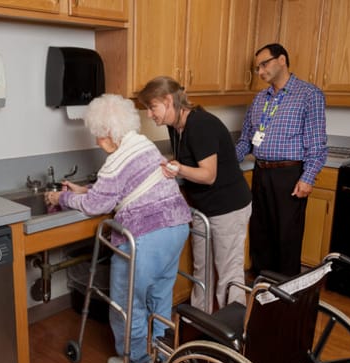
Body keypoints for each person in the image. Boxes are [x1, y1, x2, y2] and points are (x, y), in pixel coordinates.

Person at [45, 93, 191, 363]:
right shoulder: (143, 146)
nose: (98, 142)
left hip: (145, 238)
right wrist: (83, 189)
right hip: (177, 227)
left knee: (127, 303)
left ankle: (136, 362)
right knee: (160, 295)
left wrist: (61, 198)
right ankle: (162, 357)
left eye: (99, 136)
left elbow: (95, 205)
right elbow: (120, 188)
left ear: (111, 132)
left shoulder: (115, 163)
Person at [137, 76, 252, 312]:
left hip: (228, 208)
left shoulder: (201, 124)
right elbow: (185, 160)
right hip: (202, 209)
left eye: (152, 107)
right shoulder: (175, 127)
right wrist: (174, 165)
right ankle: (199, 324)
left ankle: (234, 332)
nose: (149, 114)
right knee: (202, 270)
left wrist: (178, 168)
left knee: (229, 273)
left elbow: (208, 175)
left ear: (169, 101)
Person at [236, 43, 327, 277]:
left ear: (282, 60)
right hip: (261, 172)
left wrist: (307, 179)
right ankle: (262, 287)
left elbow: (317, 146)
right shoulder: (259, 99)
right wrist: (224, 164)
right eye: (257, 68)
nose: (260, 72)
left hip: (289, 175)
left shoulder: (309, 94)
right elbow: (246, 140)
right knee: (260, 233)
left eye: (264, 64)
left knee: (287, 236)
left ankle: (286, 294)